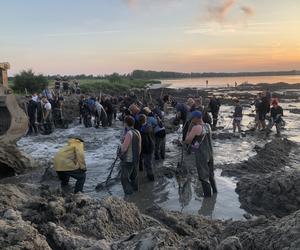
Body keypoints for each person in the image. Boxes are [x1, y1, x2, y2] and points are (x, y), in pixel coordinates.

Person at [184, 111, 217, 198]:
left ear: (196, 118)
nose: (191, 119)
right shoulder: (208, 126)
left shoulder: (196, 128)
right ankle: (215, 193)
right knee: (211, 176)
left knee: (203, 178)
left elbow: (187, 140)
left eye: (192, 118)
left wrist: (188, 130)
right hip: (210, 154)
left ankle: (207, 200)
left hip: (202, 155)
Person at [119, 116, 142, 195]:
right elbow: (139, 146)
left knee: (124, 178)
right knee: (134, 177)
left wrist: (121, 144)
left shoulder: (129, 133)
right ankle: (136, 193)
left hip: (128, 160)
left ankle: (129, 195)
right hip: (136, 159)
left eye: (124, 123)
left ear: (126, 124)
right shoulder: (137, 132)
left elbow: (124, 149)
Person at [138, 114, 155, 181]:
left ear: (140, 121)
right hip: (151, 146)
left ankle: (151, 177)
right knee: (148, 163)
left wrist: (141, 150)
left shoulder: (142, 131)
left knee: (148, 164)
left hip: (147, 148)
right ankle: (149, 176)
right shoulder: (149, 126)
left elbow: (145, 142)